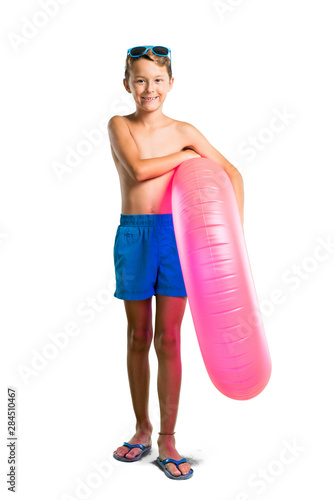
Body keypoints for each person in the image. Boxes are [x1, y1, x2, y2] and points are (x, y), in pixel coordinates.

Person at [108, 45, 244, 480]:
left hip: (175, 238)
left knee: (168, 338)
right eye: (141, 79)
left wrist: (233, 239)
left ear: (171, 83)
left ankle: (167, 438)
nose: (150, 89)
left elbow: (231, 174)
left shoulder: (185, 128)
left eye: (158, 80)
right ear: (127, 83)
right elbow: (138, 169)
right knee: (138, 335)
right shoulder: (119, 125)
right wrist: (187, 157)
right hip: (134, 235)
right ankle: (141, 429)